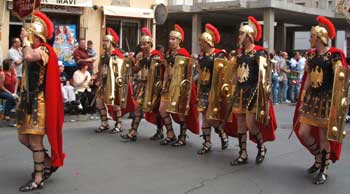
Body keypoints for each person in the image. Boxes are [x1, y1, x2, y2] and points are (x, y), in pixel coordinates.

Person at [293, 16, 348, 185]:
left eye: (311, 36)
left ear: (318, 37)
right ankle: (318, 157)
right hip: (312, 100)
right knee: (304, 132)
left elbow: (341, 78)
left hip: (326, 100)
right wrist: (302, 99)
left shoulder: (334, 56)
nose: (310, 39)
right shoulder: (311, 55)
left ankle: (323, 167)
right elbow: (308, 78)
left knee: (324, 137)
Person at [16, 11, 65, 192]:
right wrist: (19, 99)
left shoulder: (44, 50)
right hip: (27, 100)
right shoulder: (30, 48)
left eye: (29, 35)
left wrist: (25, 40)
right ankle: (47, 161)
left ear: (36, 36)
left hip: (38, 102)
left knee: (35, 141)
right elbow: (26, 77)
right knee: (23, 138)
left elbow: (29, 56)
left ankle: (38, 178)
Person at [226, 16, 277, 165]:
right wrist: (232, 86)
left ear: (249, 36)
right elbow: (235, 73)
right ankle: (243, 153)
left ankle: (261, 146)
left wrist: (265, 96)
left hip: (253, 92)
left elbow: (264, 75)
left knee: (250, 123)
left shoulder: (259, 53)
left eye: (241, 34)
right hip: (240, 92)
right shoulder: (239, 54)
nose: (239, 36)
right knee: (240, 124)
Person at [156, 24, 200, 146]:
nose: (170, 41)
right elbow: (166, 70)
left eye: (173, 39)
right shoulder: (169, 53)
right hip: (169, 84)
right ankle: (170, 133)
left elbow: (188, 72)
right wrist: (164, 85)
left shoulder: (183, 53)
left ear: (179, 40)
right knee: (162, 109)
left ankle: (182, 136)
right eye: (169, 38)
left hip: (179, 86)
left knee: (180, 112)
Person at [120, 27, 163, 141]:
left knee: (156, 110)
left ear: (150, 44)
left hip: (154, 87)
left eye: (145, 44)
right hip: (142, 86)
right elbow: (134, 70)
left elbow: (161, 72)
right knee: (137, 107)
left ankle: (162, 131)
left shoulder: (156, 55)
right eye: (141, 44)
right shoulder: (141, 57)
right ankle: (133, 132)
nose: (143, 47)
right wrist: (129, 61)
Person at [196, 23, 229, 154]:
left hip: (214, 90)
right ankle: (207, 143)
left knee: (211, 118)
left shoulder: (219, 55)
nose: (200, 44)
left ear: (208, 42)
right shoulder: (201, 56)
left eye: (201, 42)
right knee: (204, 117)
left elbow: (224, 73)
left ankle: (222, 132)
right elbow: (199, 73)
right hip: (204, 89)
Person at [94, 27, 135, 134]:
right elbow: (100, 68)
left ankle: (119, 124)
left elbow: (121, 70)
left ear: (111, 42)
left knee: (115, 104)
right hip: (103, 82)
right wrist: (97, 77)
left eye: (106, 41)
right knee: (99, 102)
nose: (104, 43)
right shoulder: (103, 55)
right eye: (103, 40)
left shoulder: (117, 55)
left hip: (114, 83)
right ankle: (104, 123)